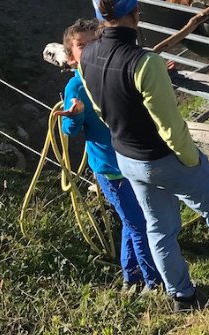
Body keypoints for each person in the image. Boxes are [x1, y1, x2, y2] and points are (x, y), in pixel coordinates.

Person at [77, 0, 209, 324]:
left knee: (159, 228)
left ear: (101, 14)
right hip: (163, 157)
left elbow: (100, 107)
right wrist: (193, 161)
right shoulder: (146, 63)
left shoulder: (87, 56)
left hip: (126, 157)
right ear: (135, 10)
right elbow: (170, 127)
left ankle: (182, 296)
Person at [53, 17, 162, 294]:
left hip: (130, 160)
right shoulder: (75, 87)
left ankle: (132, 278)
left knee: (131, 221)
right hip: (109, 167)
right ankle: (152, 282)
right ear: (71, 54)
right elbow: (69, 129)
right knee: (137, 222)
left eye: (93, 43)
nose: (88, 49)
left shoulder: (109, 73)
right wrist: (74, 116)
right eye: (81, 45)